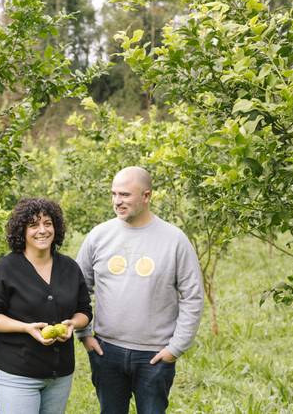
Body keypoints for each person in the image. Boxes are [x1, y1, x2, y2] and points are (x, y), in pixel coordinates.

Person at [75, 166, 204, 414]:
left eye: (124, 195)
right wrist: (84, 334)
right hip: (106, 351)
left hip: (154, 356)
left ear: (146, 196)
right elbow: (79, 288)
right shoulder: (99, 236)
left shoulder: (174, 240)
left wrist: (175, 348)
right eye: (114, 194)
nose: (117, 201)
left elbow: (192, 297)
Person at [0, 198, 92, 414]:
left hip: (60, 374)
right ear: (22, 231)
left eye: (47, 223)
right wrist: (25, 328)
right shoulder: (6, 269)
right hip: (18, 373)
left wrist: (72, 324)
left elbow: (84, 310)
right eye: (33, 225)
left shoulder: (69, 267)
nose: (42, 230)